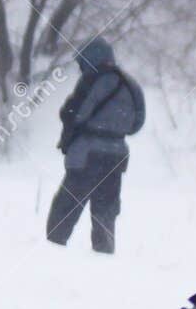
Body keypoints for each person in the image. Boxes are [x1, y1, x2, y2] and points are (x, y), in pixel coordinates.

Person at [46, 37, 144, 254]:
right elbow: (137, 124)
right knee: (106, 210)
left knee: (66, 206)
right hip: (117, 155)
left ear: (91, 59)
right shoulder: (131, 84)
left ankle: (52, 252)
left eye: (82, 62)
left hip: (87, 154)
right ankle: (104, 255)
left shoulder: (93, 79)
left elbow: (72, 113)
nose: (81, 67)